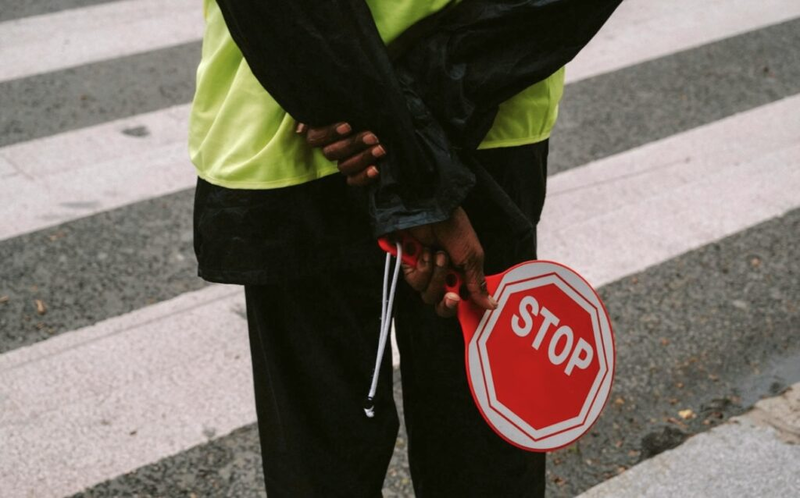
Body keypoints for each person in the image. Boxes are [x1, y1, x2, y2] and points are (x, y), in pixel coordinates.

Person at [189, 0, 620, 495]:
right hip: (485, 109)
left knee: (323, 462)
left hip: (304, 125)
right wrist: (420, 119)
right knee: (479, 454)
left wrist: (378, 117)